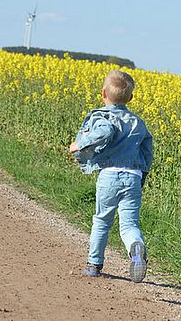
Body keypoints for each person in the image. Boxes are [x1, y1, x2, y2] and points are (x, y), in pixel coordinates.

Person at [69, 70, 153, 282]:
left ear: (103, 93)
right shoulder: (138, 122)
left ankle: (94, 264)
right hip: (132, 177)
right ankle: (136, 248)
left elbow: (104, 132)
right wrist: (142, 175)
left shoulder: (104, 117)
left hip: (110, 176)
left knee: (102, 221)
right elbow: (147, 152)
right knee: (129, 225)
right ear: (131, 98)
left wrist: (80, 144)